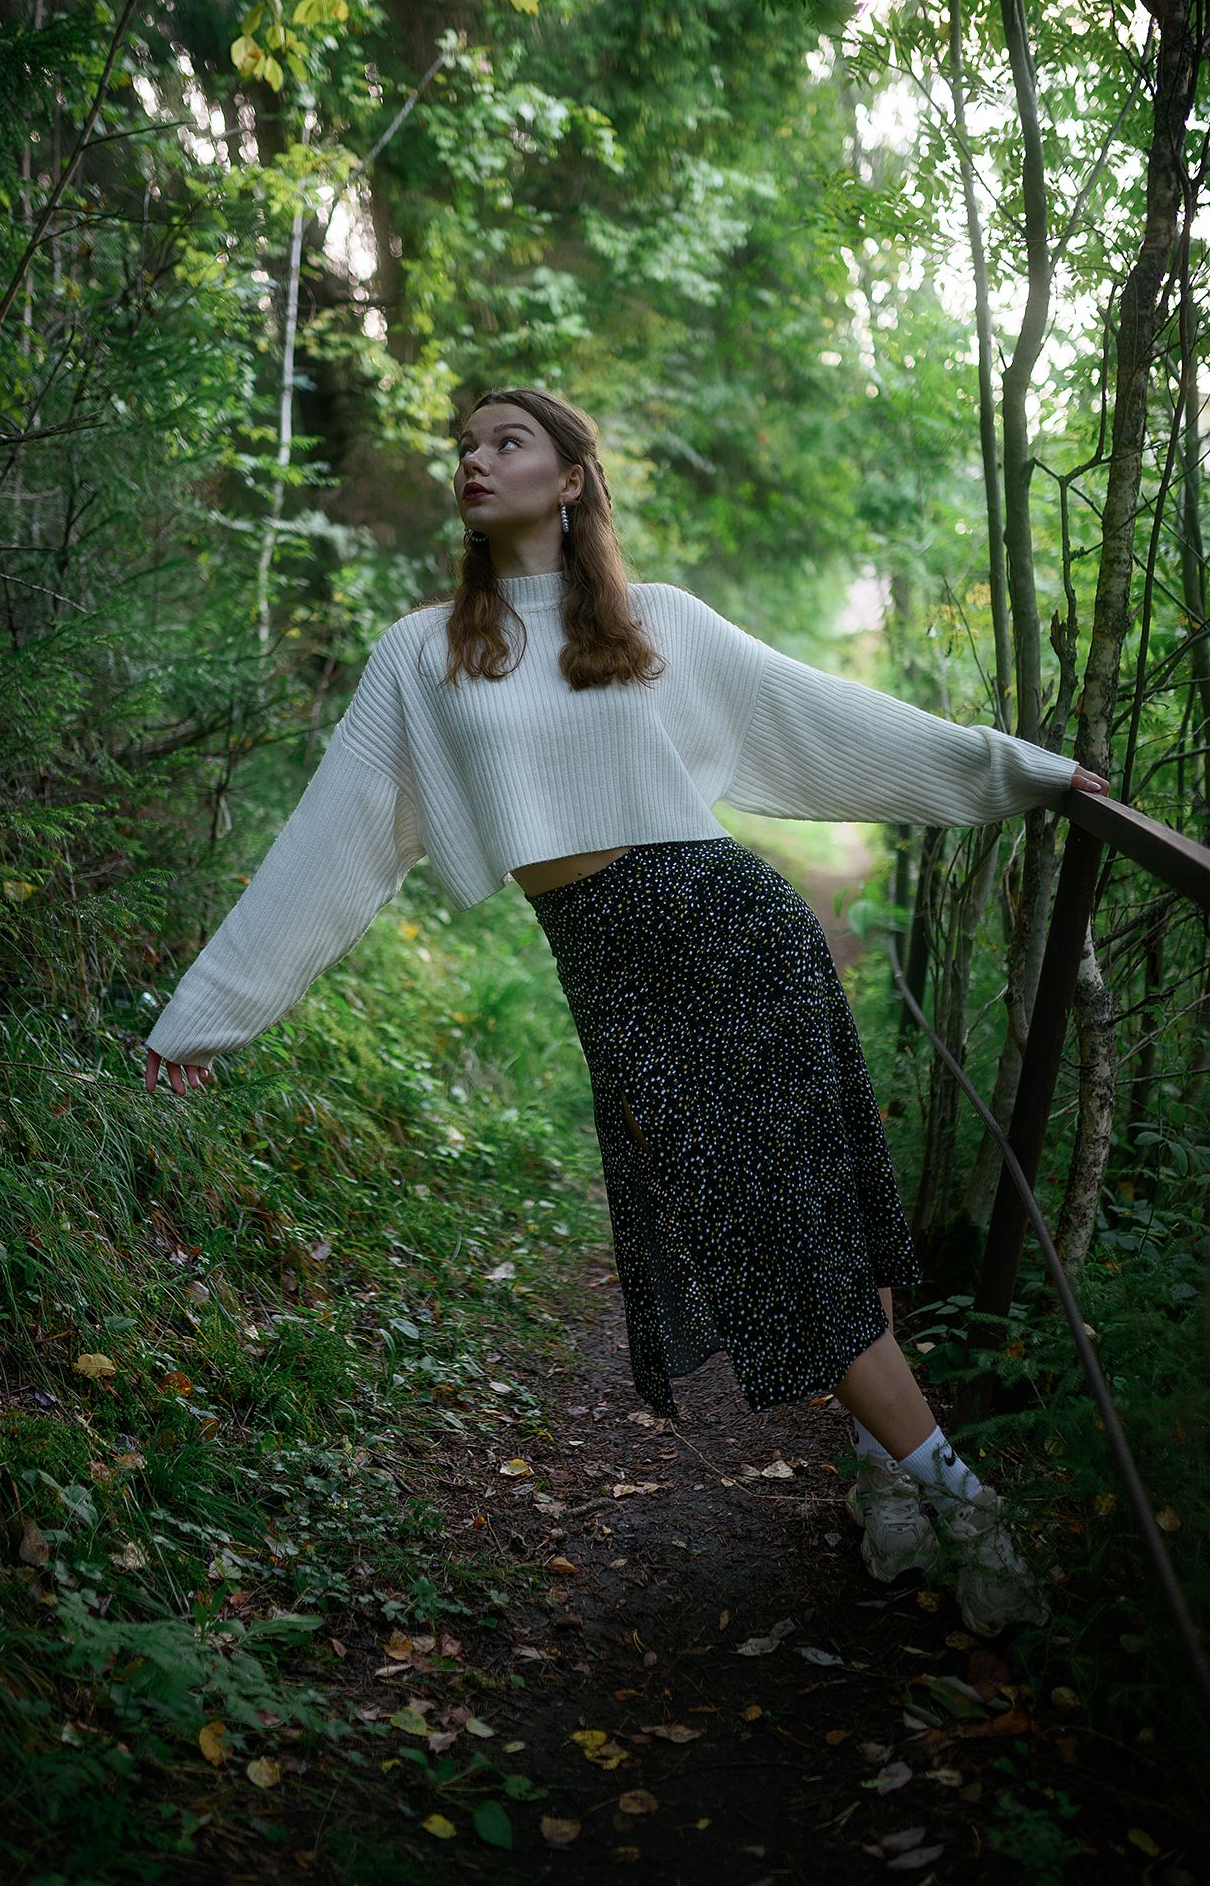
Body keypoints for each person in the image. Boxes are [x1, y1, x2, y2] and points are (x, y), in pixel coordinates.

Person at [143, 386, 1110, 1638]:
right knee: (773, 1219)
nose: (475, 460)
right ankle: (913, 1481)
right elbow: (334, 840)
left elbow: (826, 719)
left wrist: (1018, 768)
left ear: (571, 478)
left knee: (811, 1207)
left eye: (507, 441)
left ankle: (949, 1499)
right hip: (615, 972)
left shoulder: (662, 622)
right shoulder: (423, 653)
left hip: (736, 933)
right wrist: (209, 1012)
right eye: (465, 445)